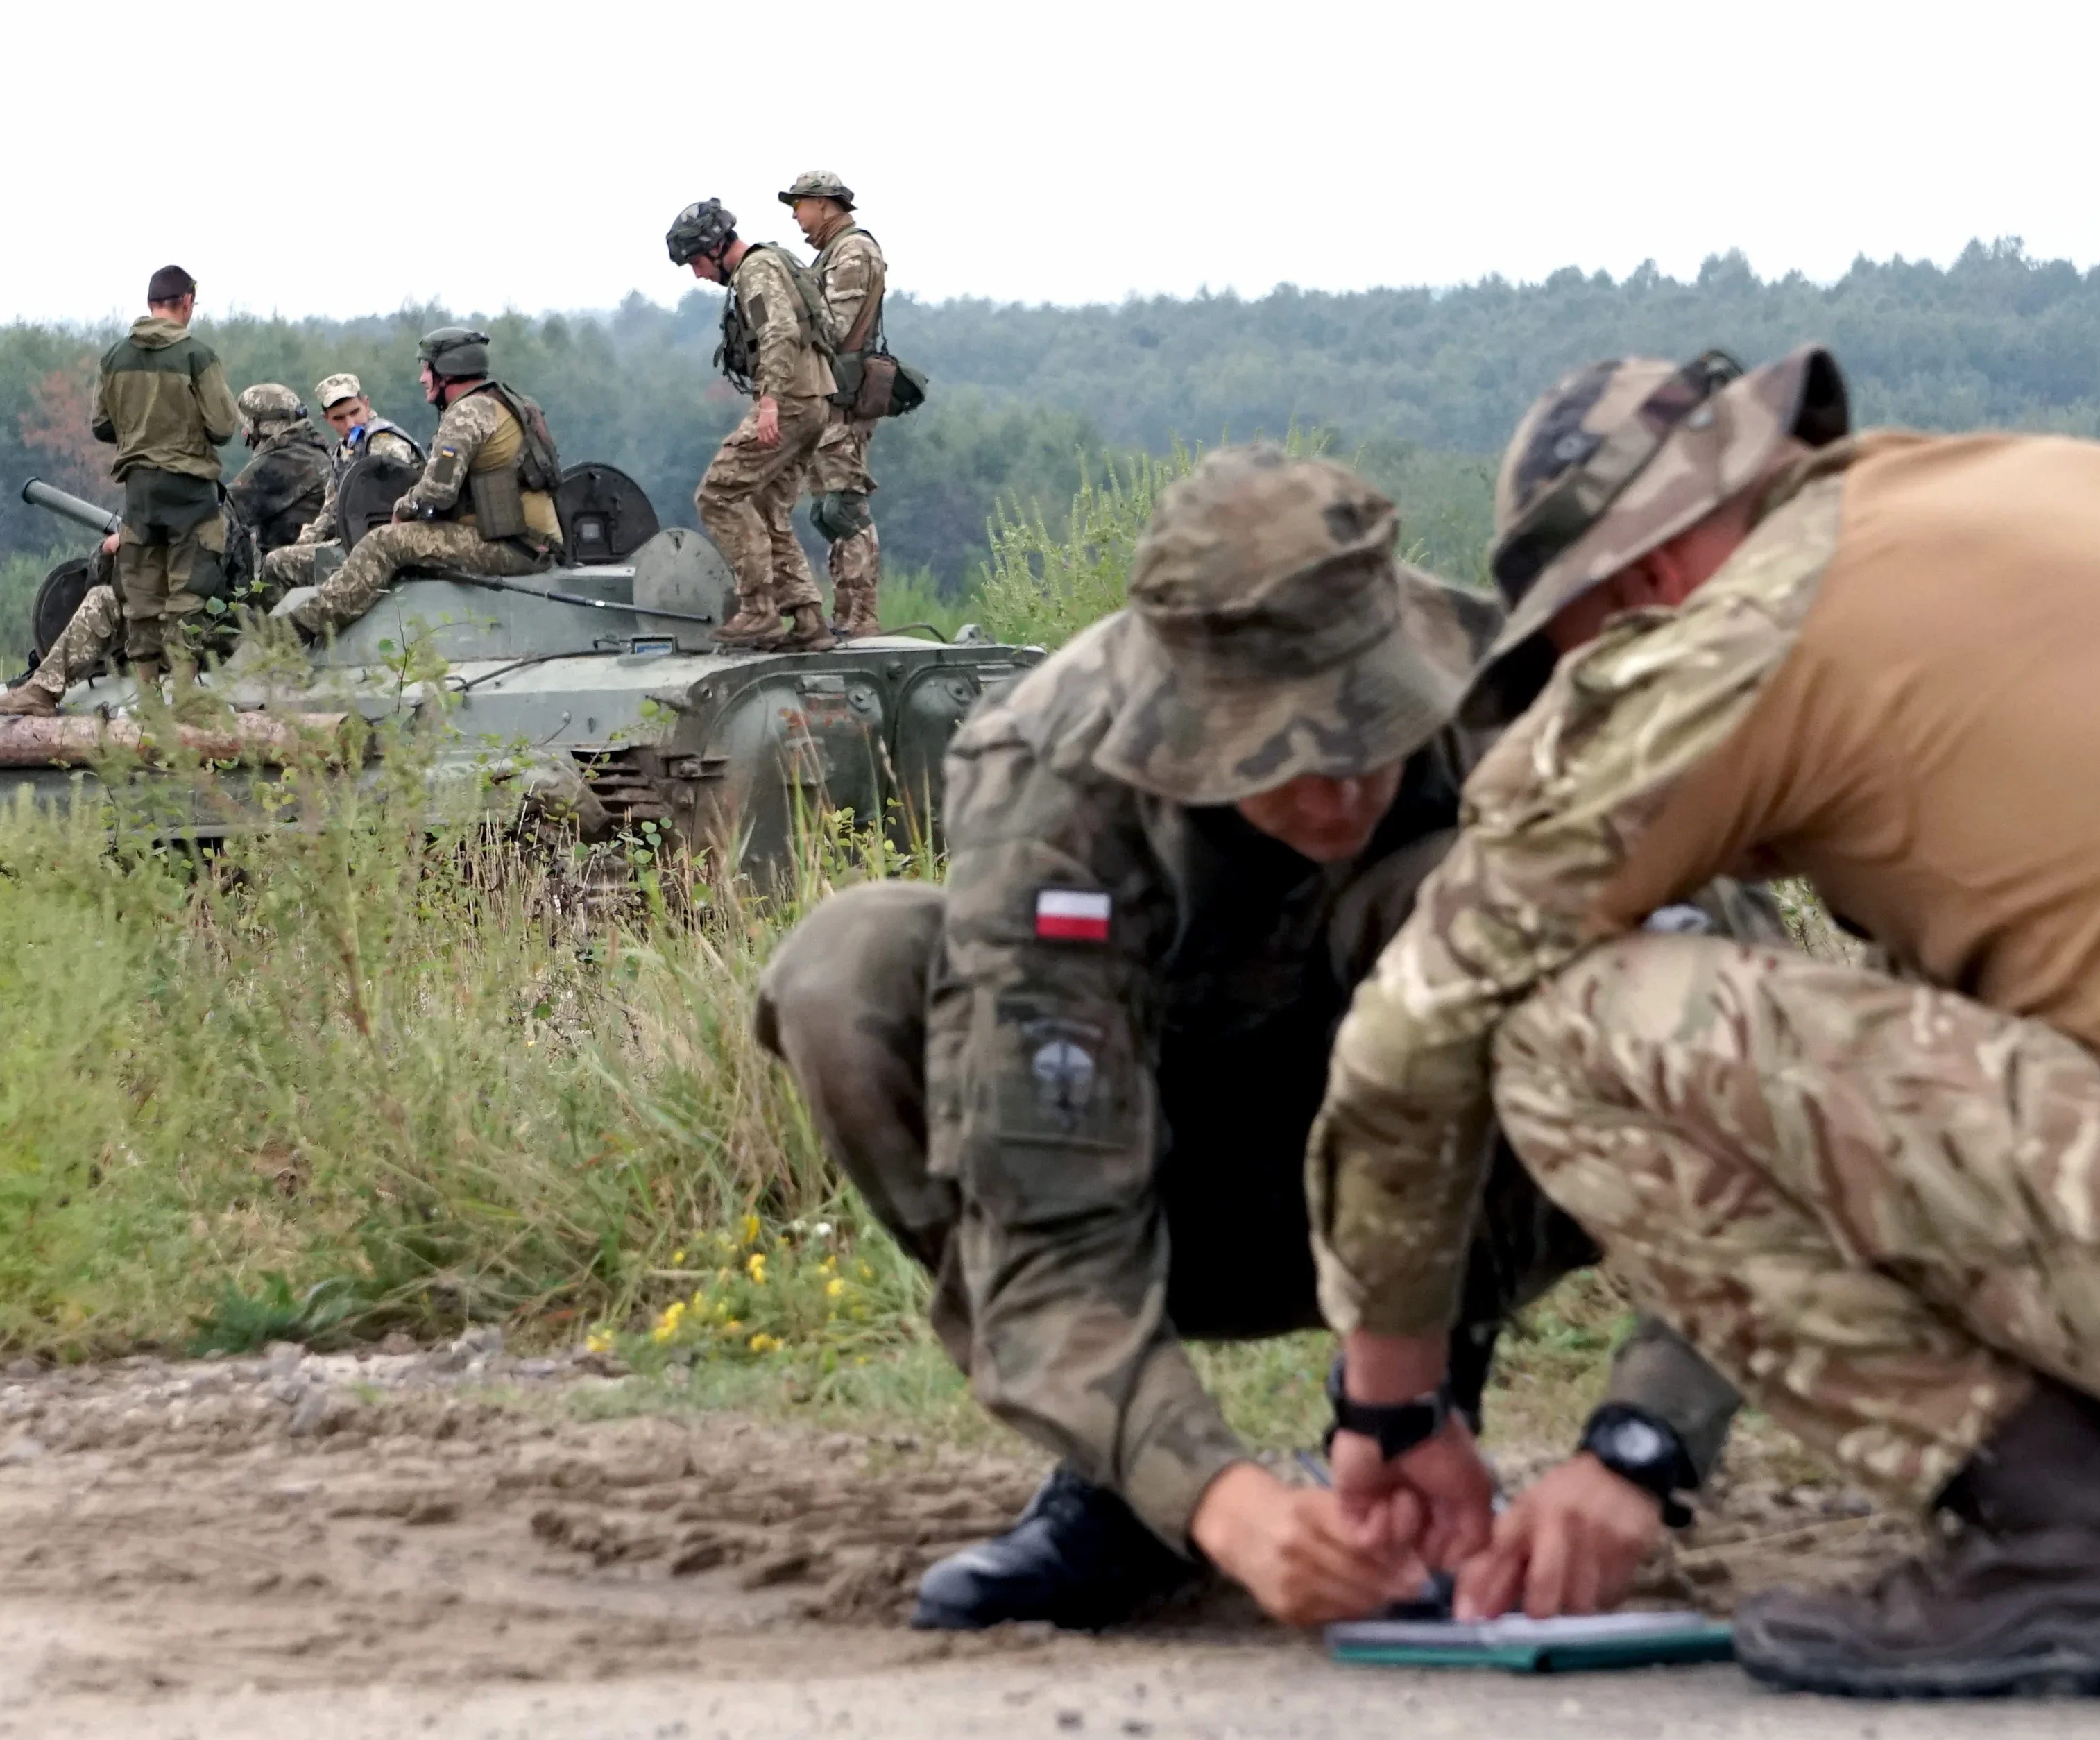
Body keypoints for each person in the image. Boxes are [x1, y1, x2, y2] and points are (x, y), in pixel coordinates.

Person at [1295, 346, 2100, 1697]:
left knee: (1564, 1033)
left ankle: (2062, 1540)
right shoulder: (2056, 500)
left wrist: (1389, 1403)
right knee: (2017, 993)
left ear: (1639, 588)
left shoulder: (1745, 627)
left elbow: (1419, 1024)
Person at [755, 446, 1749, 1631]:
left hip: (1482, 1201)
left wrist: (1639, 1442)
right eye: (1274, 755)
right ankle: (1123, 1480)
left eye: (1365, 733)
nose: (1334, 792)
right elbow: (1040, 1224)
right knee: (847, 965)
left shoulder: (1533, 711)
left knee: (1473, 901)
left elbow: (1767, 1095)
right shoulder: (1056, 783)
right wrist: (1219, 1502)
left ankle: (1417, 1394)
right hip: (1172, 1199)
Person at [0, 267, 234, 716]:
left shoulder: (115, 358)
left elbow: (101, 425)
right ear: (188, 302)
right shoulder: (198, 355)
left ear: (151, 302)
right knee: (187, 597)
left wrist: (141, 434)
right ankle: (188, 698)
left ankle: (148, 699)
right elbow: (224, 426)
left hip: (141, 496)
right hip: (190, 494)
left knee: (140, 601)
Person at [275, 328, 562, 638]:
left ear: (447, 373)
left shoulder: (467, 413)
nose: (422, 378)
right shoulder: (499, 402)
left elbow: (437, 492)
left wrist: (403, 509)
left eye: (427, 369)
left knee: (384, 542)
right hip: (526, 540)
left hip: (513, 547)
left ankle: (303, 628)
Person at [665, 198, 834, 651]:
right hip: (815, 400)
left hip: (791, 401)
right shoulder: (774, 262)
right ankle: (807, 618)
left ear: (716, 248)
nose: (698, 274)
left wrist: (770, 403)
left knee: (719, 495)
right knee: (765, 507)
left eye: (697, 262)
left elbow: (779, 331)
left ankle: (758, 610)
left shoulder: (755, 272)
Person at [780, 171, 887, 638]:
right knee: (828, 510)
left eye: (800, 206)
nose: (797, 218)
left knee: (845, 508)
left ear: (825, 205)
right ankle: (845, 613)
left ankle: (859, 616)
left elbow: (835, 329)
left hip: (842, 401)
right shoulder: (834, 254)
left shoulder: (852, 252)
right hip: (828, 400)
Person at [255, 373, 426, 599]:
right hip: (357, 542)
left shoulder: (384, 443)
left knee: (277, 564)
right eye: (339, 418)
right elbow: (330, 512)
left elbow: (409, 499)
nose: (350, 424)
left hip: (389, 544)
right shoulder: (346, 450)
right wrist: (302, 543)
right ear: (326, 418)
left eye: (355, 412)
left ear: (366, 404)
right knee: (279, 558)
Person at [226, 382, 336, 577]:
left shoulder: (286, 461)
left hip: (289, 572)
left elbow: (228, 507)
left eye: (249, 425)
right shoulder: (309, 449)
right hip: (313, 564)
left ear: (265, 426)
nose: (245, 433)